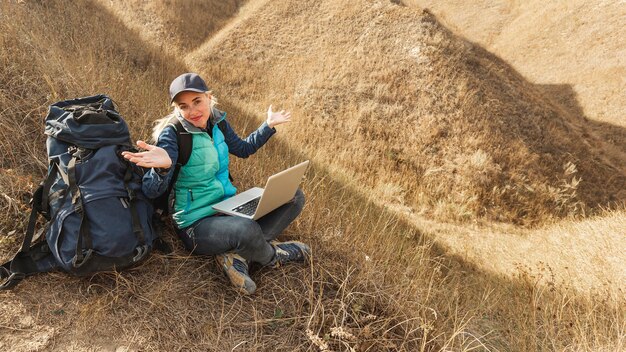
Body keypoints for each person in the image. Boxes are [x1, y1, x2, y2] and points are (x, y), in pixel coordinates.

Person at [122, 73, 310, 295]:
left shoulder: (218, 122)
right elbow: (151, 191)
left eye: (197, 102)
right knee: (247, 229)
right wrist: (161, 169)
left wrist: (268, 125)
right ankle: (272, 256)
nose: (192, 111)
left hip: (229, 207)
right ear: (177, 109)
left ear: (209, 97)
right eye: (184, 106)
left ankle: (234, 256)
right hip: (196, 223)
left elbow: (243, 149)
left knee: (294, 196)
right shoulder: (172, 136)